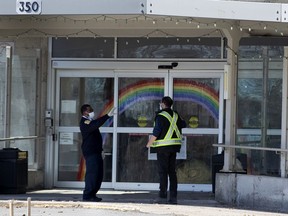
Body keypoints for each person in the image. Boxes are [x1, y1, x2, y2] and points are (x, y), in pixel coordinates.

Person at [145, 96, 186, 204]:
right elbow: (184, 124)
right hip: (174, 148)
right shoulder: (176, 115)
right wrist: (178, 115)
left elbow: (156, 132)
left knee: (163, 172)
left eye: (161, 103)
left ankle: (162, 195)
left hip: (163, 148)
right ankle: (173, 196)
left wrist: (148, 145)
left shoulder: (160, 116)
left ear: (163, 104)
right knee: (172, 172)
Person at [79, 104, 116, 202]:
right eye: (90, 110)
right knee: (92, 174)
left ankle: (93, 194)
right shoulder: (85, 122)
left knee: (98, 174)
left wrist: (101, 150)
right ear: (85, 112)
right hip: (91, 152)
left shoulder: (90, 122)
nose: (92, 111)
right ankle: (87, 195)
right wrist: (107, 116)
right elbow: (95, 124)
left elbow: (96, 137)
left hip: (96, 152)